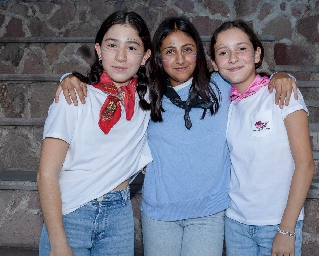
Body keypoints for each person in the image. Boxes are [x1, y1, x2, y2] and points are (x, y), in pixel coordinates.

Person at [55, 17, 297, 256]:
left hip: (208, 213)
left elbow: (249, 78)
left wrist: (281, 76)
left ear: (199, 55)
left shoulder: (220, 86)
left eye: (187, 50)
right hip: (160, 214)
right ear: (158, 58)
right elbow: (108, 86)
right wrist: (71, 78)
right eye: (170, 51)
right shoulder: (146, 94)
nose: (180, 59)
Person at [37, 11, 152, 256]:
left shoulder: (147, 100)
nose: (120, 57)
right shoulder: (73, 97)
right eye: (112, 46)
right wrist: (58, 243)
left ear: (145, 57)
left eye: (132, 48)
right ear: (99, 50)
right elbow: (46, 174)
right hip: (71, 214)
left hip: (119, 216)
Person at [209, 20, 314, 256]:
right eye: (224, 52)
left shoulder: (282, 93)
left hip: (278, 224)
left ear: (257, 54)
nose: (233, 58)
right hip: (236, 224)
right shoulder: (227, 104)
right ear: (215, 64)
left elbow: (305, 165)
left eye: (242, 49)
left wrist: (286, 230)